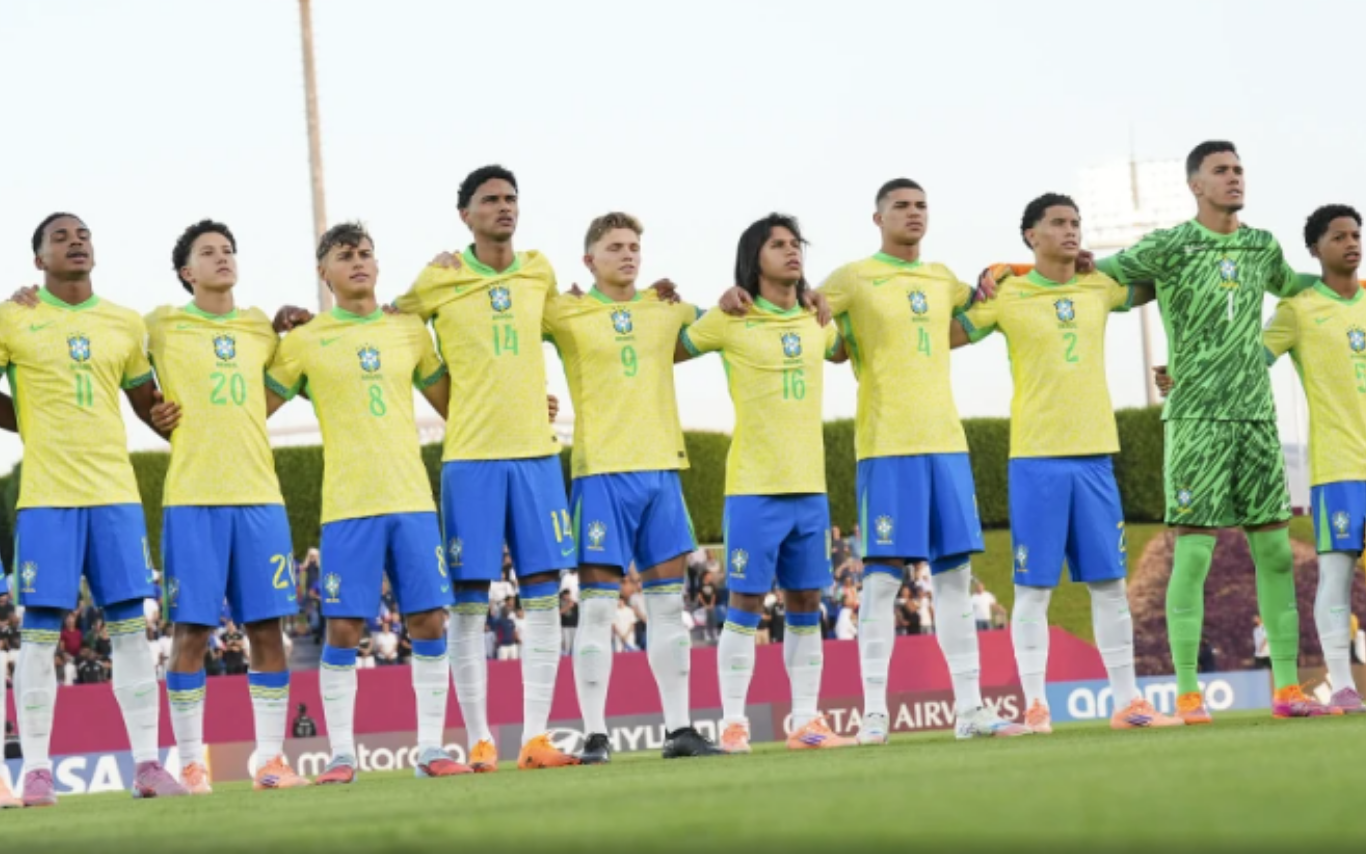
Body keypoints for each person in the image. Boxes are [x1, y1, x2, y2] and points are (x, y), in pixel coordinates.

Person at [720, 180, 1016, 744]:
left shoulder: (942, 279)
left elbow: (962, 322)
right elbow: (808, 322)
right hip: (885, 445)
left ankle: (972, 710)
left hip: (947, 444)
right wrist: (737, 297)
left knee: (954, 580)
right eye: (900, 206)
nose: (913, 213)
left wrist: (1000, 283)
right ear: (877, 218)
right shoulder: (853, 277)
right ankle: (873, 713)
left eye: (921, 205)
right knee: (881, 583)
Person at [1093, 141, 1328, 721]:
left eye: (1239, 169)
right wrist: (1031, 272)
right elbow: (1104, 279)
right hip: (1196, 418)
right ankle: (1190, 694)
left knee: (1274, 552)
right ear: (1195, 184)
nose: (1234, 178)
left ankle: (1286, 690)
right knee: (1193, 558)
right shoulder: (1171, 245)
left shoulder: (1260, 244)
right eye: (1221, 171)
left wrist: (1345, 275)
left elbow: (1297, 286)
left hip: (1255, 416)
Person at [955, 193, 1182, 732]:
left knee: (1108, 584)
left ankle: (1128, 703)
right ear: (1030, 235)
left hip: (1097, 459)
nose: (1070, 230)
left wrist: (1107, 262)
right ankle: (1035, 705)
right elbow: (948, 334)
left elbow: (1158, 282)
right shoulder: (1007, 294)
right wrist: (990, 275)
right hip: (1036, 459)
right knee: (1034, 589)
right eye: (1058, 223)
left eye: (1075, 222)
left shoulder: (1097, 286)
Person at [265, 222, 471, 783]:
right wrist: (270, 327)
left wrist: (520, 403)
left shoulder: (408, 331)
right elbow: (252, 405)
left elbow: (455, 402)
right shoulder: (305, 340)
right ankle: (341, 756)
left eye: (365, 254)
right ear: (322, 272)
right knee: (343, 630)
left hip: (411, 500)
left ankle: (430, 749)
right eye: (344, 255)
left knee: (429, 620)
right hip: (347, 507)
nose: (358, 262)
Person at [394, 165, 579, 772]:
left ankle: (535, 738)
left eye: (510, 199)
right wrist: (450, 396)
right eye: (489, 200)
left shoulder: (539, 269)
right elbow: (387, 325)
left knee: (544, 596)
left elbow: (566, 328)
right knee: (469, 601)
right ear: (464, 215)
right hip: (470, 459)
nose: (503, 208)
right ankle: (479, 738)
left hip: (536, 453)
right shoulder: (438, 278)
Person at [2, 213, 187, 804]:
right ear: (38, 261)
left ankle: (148, 765)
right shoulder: (14, 317)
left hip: (115, 496)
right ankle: (34, 770)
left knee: (133, 631)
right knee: (38, 637)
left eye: (82, 234)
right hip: (48, 498)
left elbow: (143, 400)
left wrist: (159, 416)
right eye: (60, 237)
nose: (75, 241)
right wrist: (28, 423)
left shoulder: (124, 324)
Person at [119, 219, 307, 794]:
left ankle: (270, 760)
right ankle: (192, 763)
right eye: (208, 252)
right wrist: (150, 410)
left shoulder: (259, 329)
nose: (222, 257)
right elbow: (124, 370)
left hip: (259, 497)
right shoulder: (157, 324)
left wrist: (294, 321)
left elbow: (285, 379)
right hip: (193, 497)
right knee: (191, 633)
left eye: (228, 249)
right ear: (186, 271)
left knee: (268, 630)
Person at [1157, 204, 1366, 712]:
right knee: (1336, 575)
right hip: (1339, 466)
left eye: (1356, 234)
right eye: (1338, 236)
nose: (1351, 243)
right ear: (1315, 249)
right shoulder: (1297, 308)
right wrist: (1186, 374)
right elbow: (1246, 359)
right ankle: (1341, 683)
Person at [534, 212, 723, 764]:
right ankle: (595, 735)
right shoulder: (564, 311)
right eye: (615, 247)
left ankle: (681, 730)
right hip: (600, 475)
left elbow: (729, 321)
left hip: (662, 471)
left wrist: (739, 294)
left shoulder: (665, 309)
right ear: (589, 260)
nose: (629, 254)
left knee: (669, 609)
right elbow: (507, 339)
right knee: (595, 611)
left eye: (635, 246)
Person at [677, 213, 854, 752]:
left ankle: (806, 721)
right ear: (755, 258)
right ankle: (733, 721)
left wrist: (825, 301)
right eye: (778, 244)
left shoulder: (815, 319)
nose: (792, 250)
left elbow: (843, 349)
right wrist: (705, 301)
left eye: (796, 243)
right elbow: (674, 345)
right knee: (746, 604)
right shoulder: (731, 317)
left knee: (806, 602)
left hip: (810, 486)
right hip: (753, 485)